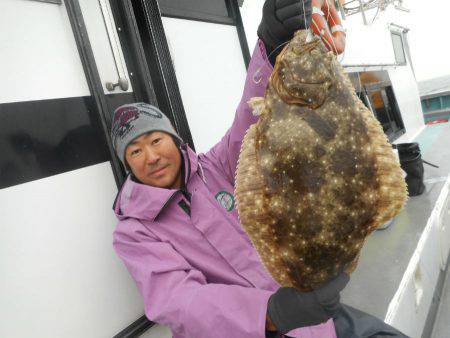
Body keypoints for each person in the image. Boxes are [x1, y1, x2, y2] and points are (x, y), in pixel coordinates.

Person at [111, 1, 409, 337]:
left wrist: (269, 46)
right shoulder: (134, 233)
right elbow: (179, 300)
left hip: (318, 317)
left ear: (175, 139)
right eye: (135, 151)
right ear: (127, 165)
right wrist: (271, 314)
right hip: (261, 325)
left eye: (155, 140)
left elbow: (250, 117)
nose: (151, 156)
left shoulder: (216, 167)